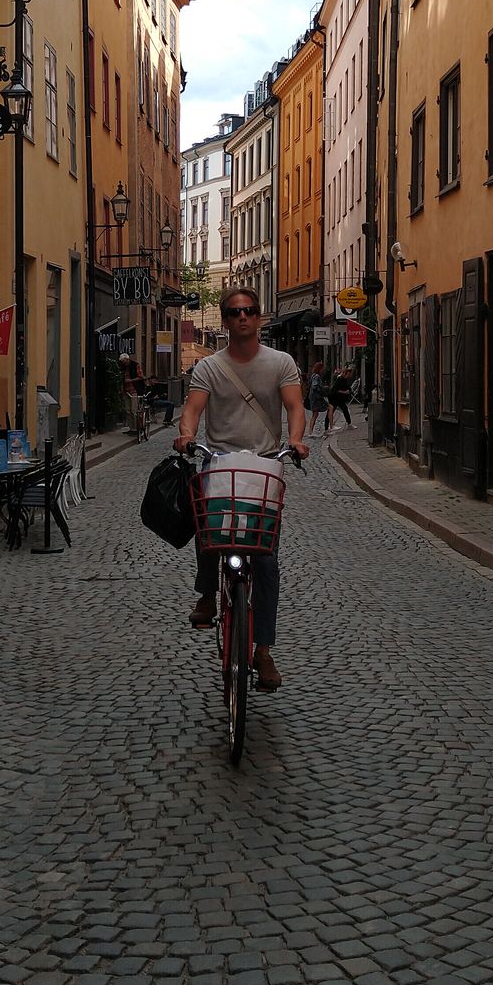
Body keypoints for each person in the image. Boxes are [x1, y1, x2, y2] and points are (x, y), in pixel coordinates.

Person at [173, 285, 309, 690]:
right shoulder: (209, 367)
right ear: (226, 320)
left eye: (249, 311)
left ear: (260, 316)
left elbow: (294, 406)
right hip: (219, 461)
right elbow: (192, 409)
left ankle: (263, 651)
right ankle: (205, 595)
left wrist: (297, 440)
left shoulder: (281, 362)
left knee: (265, 561)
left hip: (266, 466)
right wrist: (185, 436)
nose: (242, 318)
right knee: (208, 530)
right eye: (234, 313)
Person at [325, 364, 356, 433]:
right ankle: (326, 427)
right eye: (351, 373)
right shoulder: (340, 379)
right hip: (334, 397)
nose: (351, 375)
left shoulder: (345, 379)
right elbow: (335, 389)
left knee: (345, 409)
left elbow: (348, 387)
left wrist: (350, 391)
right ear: (348, 373)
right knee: (331, 411)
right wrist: (345, 392)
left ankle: (349, 424)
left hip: (339, 398)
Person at [305, 365, 327, 437]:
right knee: (329, 407)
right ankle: (329, 427)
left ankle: (310, 432)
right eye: (322, 369)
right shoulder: (316, 376)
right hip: (316, 398)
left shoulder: (313, 375)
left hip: (313, 397)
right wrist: (321, 389)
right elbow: (315, 386)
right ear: (319, 369)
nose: (323, 370)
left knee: (315, 414)